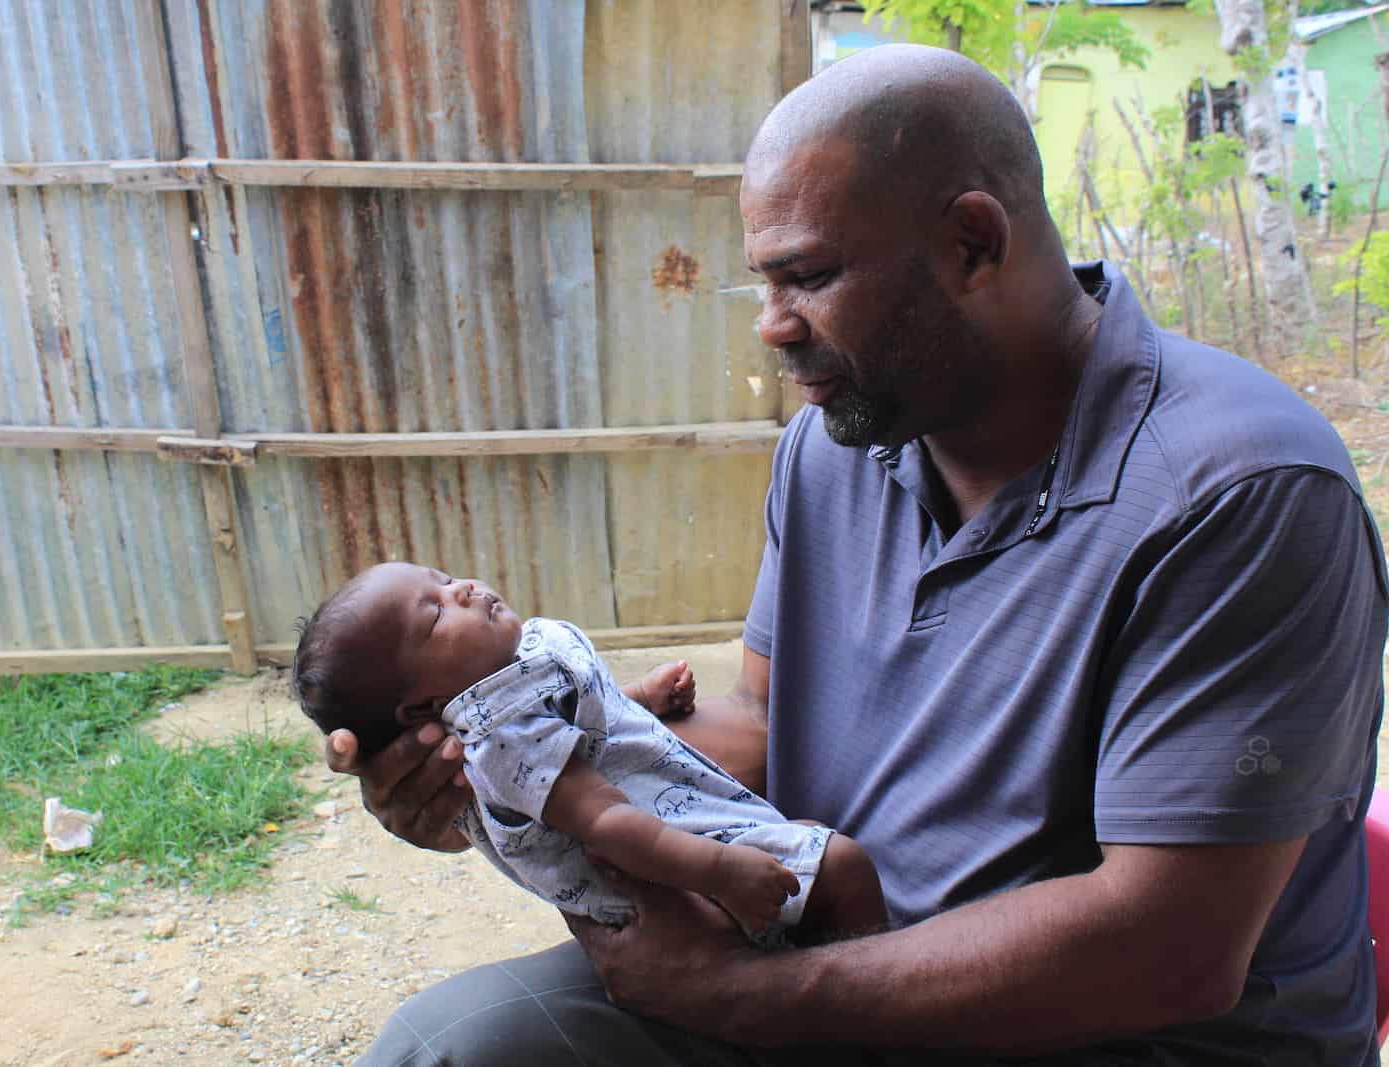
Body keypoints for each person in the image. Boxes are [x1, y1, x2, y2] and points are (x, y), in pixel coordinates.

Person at [324, 44, 1389, 1066]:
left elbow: (1169, 951)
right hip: (835, 951)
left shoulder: (1238, 494)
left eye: (810, 277)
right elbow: (770, 727)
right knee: (447, 1046)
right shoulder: (842, 444)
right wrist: (529, 771)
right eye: (763, 283)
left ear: (972, 244)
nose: (772, 327)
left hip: (1112, 1033)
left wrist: (744, 996)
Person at [293, 561, 886, 942]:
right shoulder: (503, 735)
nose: (464, 589)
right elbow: (606, 822)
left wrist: (637, 699)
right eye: (437, 613)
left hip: (685, 841)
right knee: (842, 867)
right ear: (423, 710)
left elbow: (582, 733)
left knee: (809, 853)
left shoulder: (516, 678)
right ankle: (871, 1033)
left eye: (443, 578)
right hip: (679, 873)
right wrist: (722, 872)